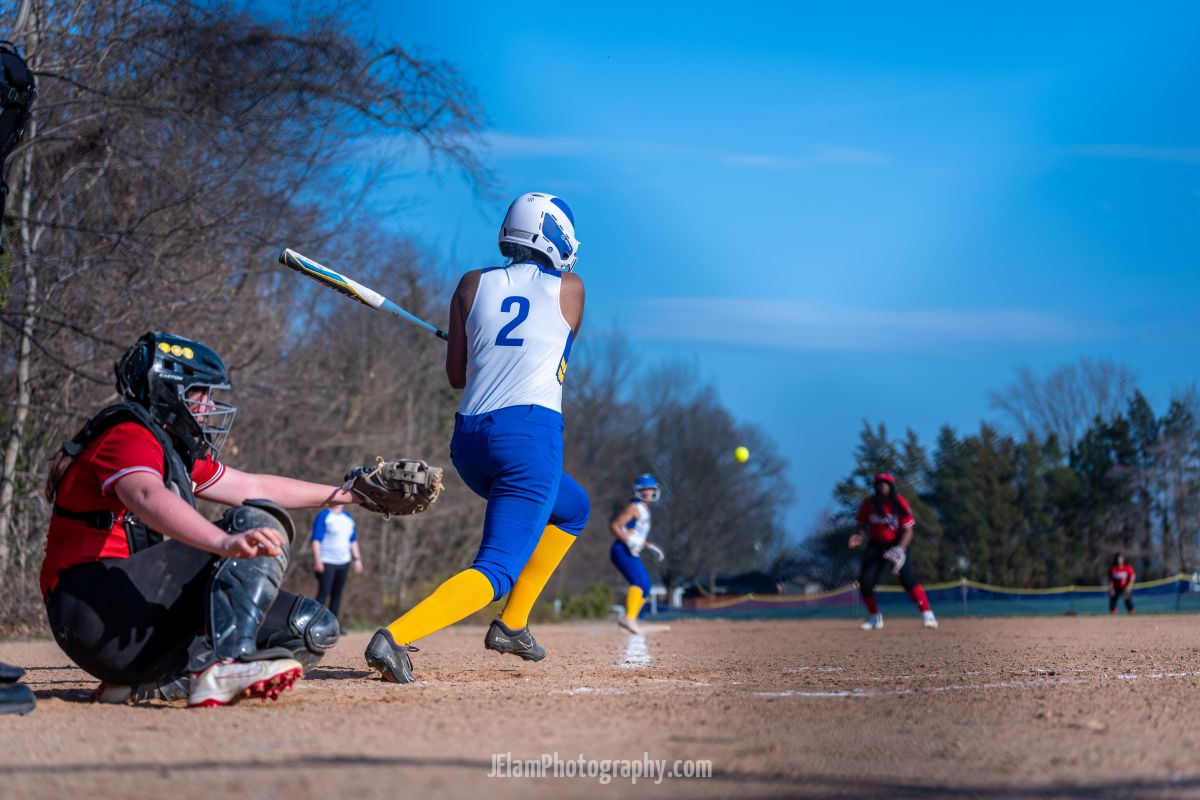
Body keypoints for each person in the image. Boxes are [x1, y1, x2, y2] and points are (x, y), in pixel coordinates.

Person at [40, 332, 363, 707]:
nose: (210, 405)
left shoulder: (170, 449)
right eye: (202, 394)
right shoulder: (128, 435)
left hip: (130, 621)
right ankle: (226, 664)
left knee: (309, 629)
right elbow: (146, 496)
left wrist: (351, 494)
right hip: (91, 612)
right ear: (169, 392)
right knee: (258, 520)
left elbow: (253, 484)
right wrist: (222, 541)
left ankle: (154, 683)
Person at [364, 192, 590, 683]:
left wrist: (473, 341)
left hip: (470, 441)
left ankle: (513, 624)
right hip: (529, 437)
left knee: (573, 508)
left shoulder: (471, 284)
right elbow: (558, 355)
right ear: (555, 237)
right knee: (498, 568)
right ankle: (395, 637)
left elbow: (457, 376)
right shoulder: (571, 288)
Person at [849, 473, 937, 630]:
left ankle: (928, 614)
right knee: (866, 583)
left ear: (891, 486)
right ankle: (875, 617)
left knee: (908, 580)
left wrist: (900, 549)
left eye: (885, 483)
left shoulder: (899, 503)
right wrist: (859, 536)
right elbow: (862, 525)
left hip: (897, 544)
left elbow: (908, 530)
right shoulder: (869, 504)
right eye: (879, 483)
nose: (882, 485)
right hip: (876, 544)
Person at [609, 473, 666, 635]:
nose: (648, 492)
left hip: (629, 549)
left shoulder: (645, 510)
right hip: (621, 549)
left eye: (651, 489)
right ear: (638, 491)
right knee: (639, 580)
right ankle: (630, 619)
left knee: (646, 584)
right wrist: (628, 541)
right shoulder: (634, 507)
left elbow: (635, 534)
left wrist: (650, 546)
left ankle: (628, 621)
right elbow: (615, 526)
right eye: (645, 489)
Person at [311, 505, 362, 626]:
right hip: (326, 561)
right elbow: (315, 539)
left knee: (337, 594)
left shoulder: (348, 517)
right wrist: (317, 560)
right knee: (324, 593)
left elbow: (353, 540)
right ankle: (314, 624)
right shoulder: (324, 515)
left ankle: (333, 626)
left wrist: (357, 559)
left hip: (344, 562)